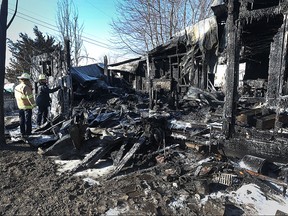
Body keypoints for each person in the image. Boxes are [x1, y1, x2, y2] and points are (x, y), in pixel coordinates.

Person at [14, 73, 36, 137]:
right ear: (26, 80)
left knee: (21, 120)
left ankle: (22, 132)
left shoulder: (17, 87)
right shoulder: (26, 87)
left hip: (20, 106)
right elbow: (30, 97)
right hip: (27, 106)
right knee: (28, 120)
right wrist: (34, 104)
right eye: (28, 80)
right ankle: (28, 132)